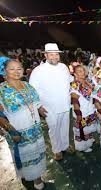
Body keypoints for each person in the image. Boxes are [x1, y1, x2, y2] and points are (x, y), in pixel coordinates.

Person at [0, 58, 47, 190]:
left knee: (36, 153)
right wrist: (12, 132)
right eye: (12, 69)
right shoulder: (1, 90)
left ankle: (37, 178)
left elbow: (36, 102)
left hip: (35, 129)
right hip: (17, 131)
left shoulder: (27, 85)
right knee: (24, 155)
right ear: (4, 71)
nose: (17, 71)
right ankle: (27, 176)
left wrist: (40, 109)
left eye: (19, 68)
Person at [29, 43, 74, 161]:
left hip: (65, 104)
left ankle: (65, 146)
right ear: (45, 55)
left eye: (56, 54)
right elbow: (32, 90)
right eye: (51, 54)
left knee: (65, 127)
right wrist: (38, 106)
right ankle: (57, 150)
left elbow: (70, 81)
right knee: (54, 129)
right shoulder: (38, 71)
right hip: (49, 107)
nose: (54, 57)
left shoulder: (64, 67)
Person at [70, 65, 97, 152]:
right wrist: (78, 114)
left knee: (89, 128)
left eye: (83, 70)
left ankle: (89, 140)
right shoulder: (74, 84)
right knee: (82, 130)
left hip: (90, 109)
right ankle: (83, 147)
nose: (82, 72)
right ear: (75, 74)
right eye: (79, 71)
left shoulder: (88, 81)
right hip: (82, 111)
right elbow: (74, 100)